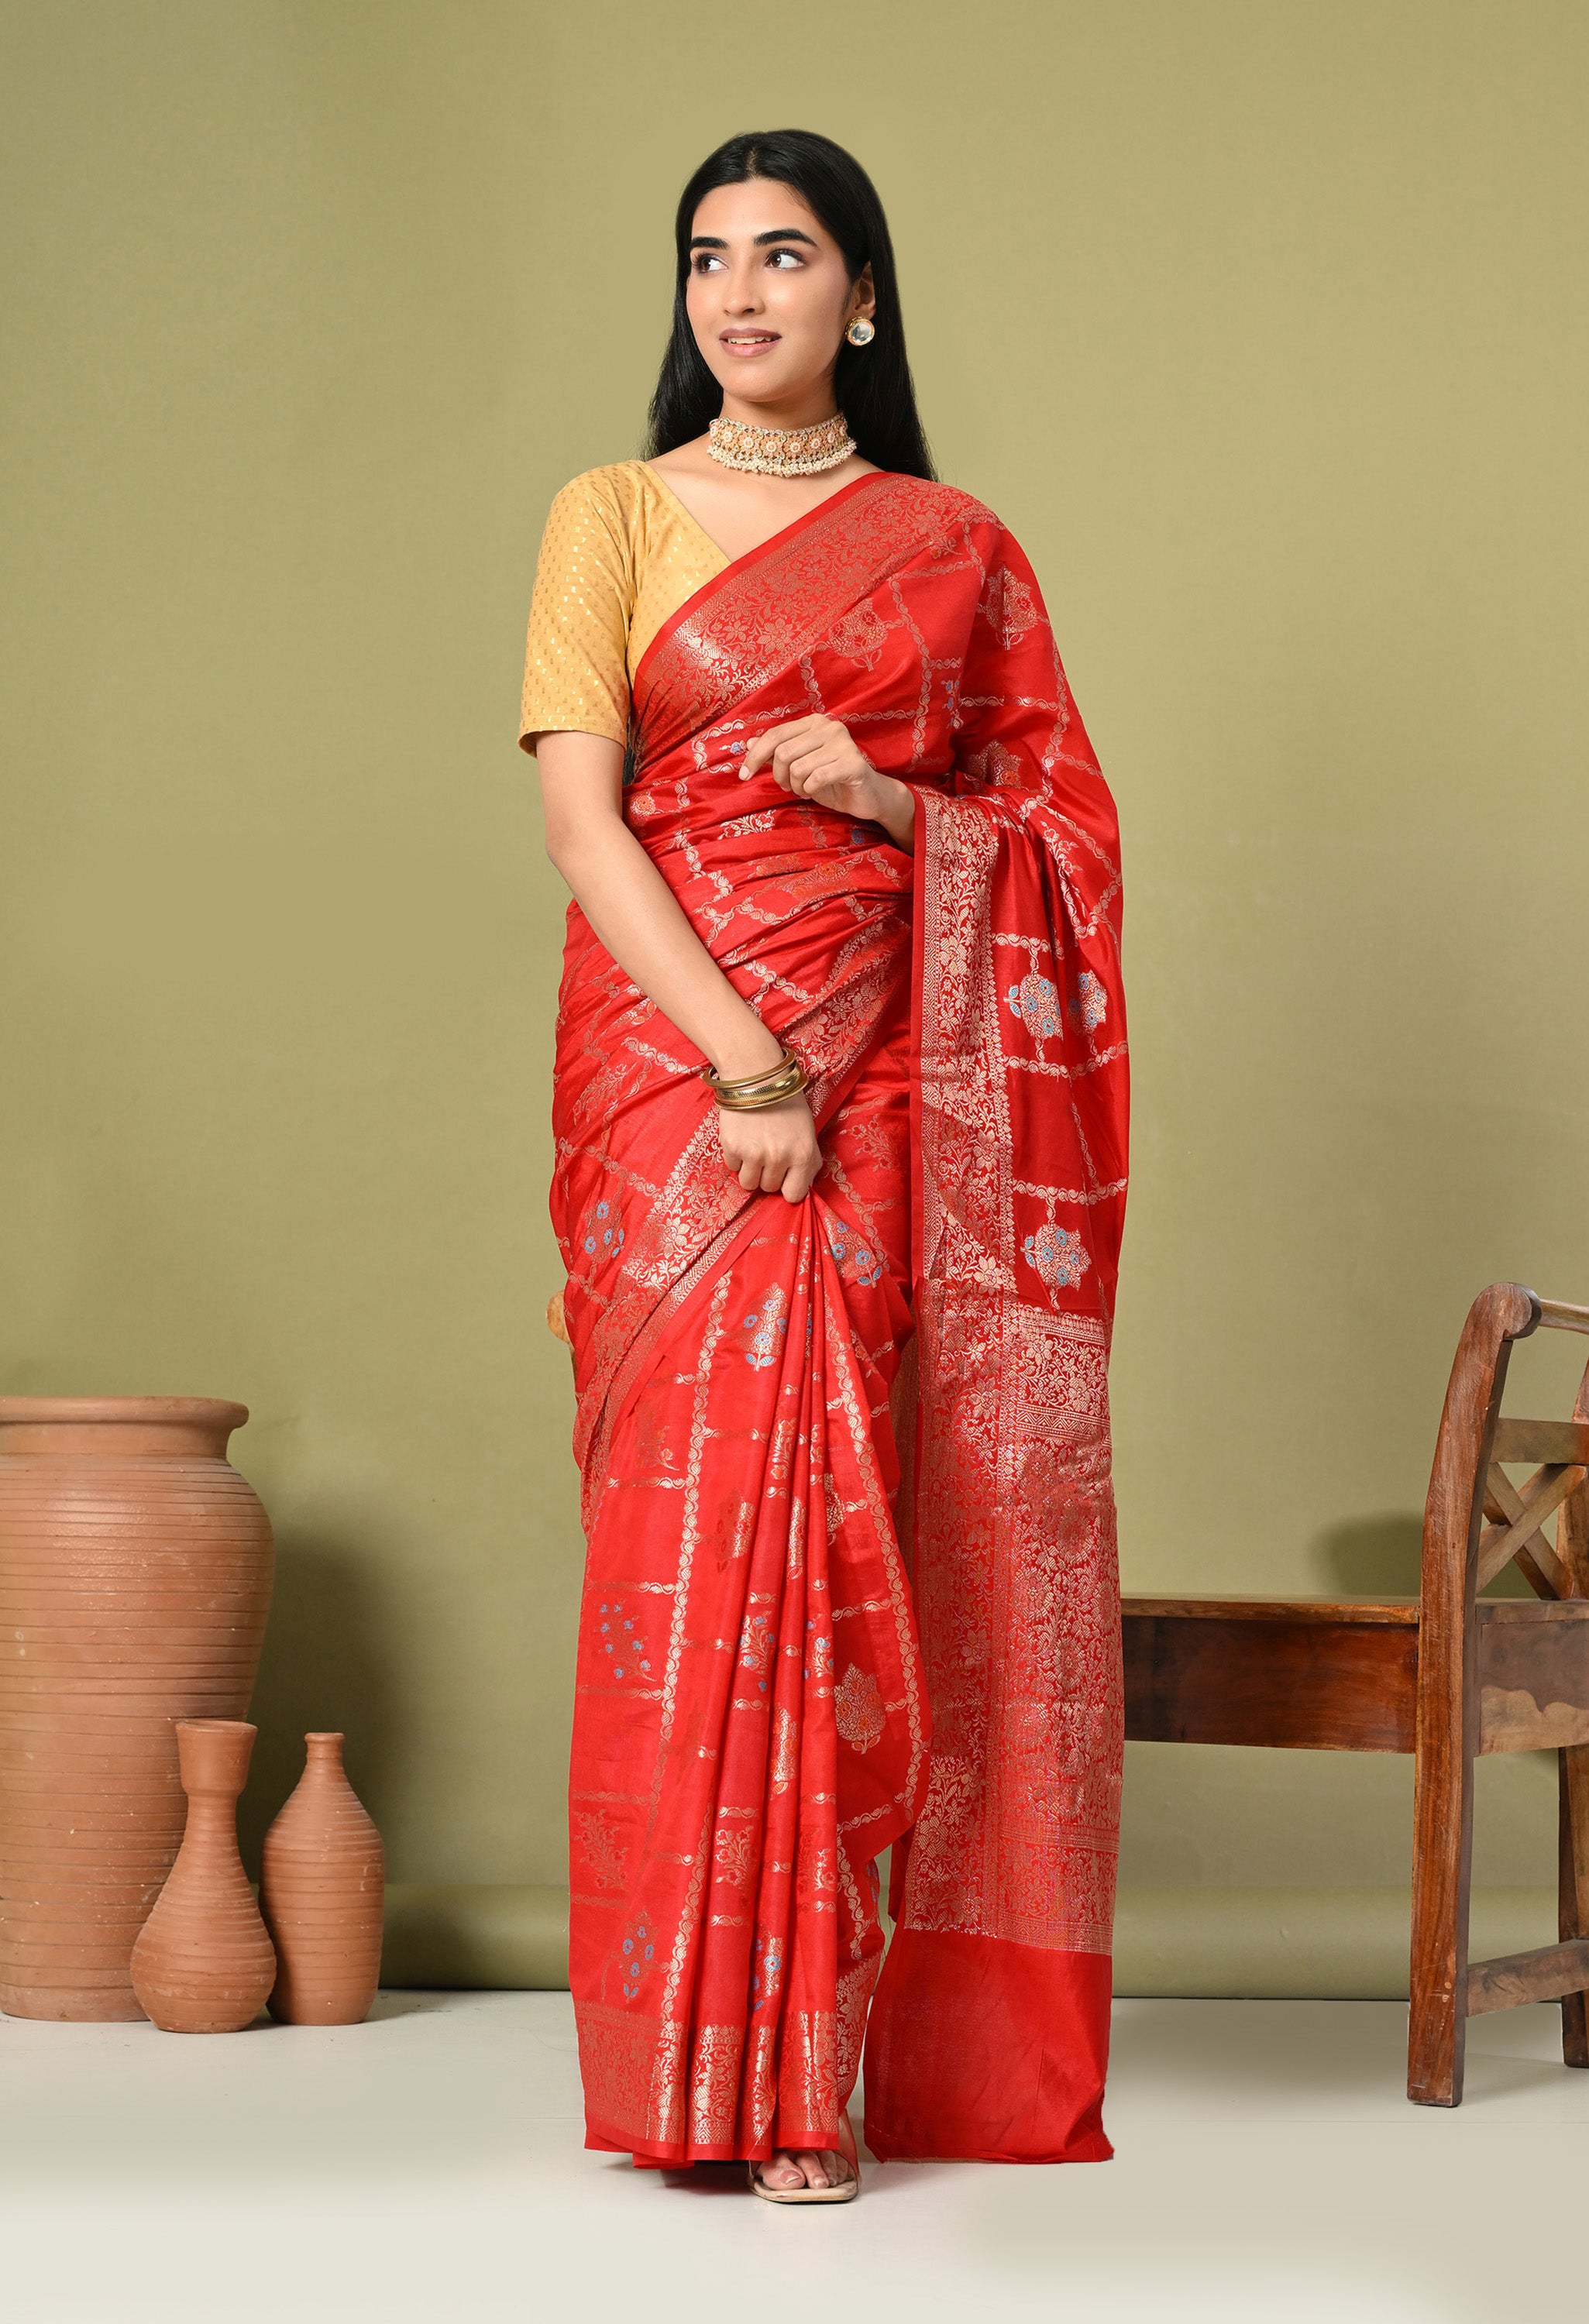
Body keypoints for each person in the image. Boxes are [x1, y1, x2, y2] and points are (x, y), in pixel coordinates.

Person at [519, 129, 1128, 2202]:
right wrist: (743, 1061)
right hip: (680, 1073)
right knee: (692, 1537)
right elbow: (586, 825)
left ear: (863, 297)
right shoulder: (608, 512)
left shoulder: (955, 547)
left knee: (843, 1531)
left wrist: (883, 798)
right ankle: (695, 2074)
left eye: (784, 256)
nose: (737, 293)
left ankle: (808, 2082)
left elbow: (1056, 839)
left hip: (884, 1076)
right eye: (706, 258)